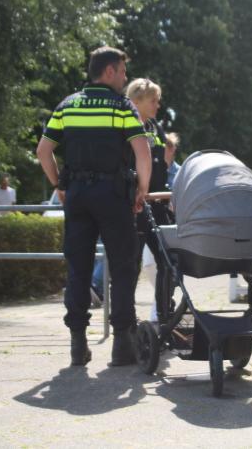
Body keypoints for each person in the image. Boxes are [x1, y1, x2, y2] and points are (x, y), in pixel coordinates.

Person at [36, 46, 151, 367]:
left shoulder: (67, 106)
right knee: (123, 267)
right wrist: (141, 190)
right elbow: (142, 153)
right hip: (113, 195)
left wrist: (60, 184)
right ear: (110, 71)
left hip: (78, 196)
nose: (126, 77)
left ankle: (78, 345)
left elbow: (43, 151)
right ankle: (122, 345)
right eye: (123, 71)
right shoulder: (121, 106)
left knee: (78, 270)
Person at [125, 78, 174, 321]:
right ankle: (127, 323)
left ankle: (164, 318)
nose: (158, 104)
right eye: (153, 100)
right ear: (136, 102)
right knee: (130, 266)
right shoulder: (124, 127)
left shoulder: (155, 127)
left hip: (157, 206)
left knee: (168, 261)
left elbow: (162, 164)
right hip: (135, 208)